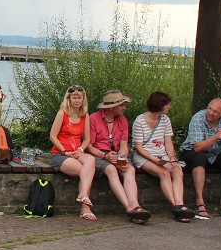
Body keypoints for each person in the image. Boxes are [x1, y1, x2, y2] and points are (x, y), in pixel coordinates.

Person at [86, 90, 151, 223]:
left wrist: (122, 155)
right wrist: (105, 156)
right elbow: (89, 146)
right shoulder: (93, 118)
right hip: (99, 156)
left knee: (129, 169)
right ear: (111, 107)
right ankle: (130, 209)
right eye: (121, 105)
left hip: (116, 155)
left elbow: (123, 144)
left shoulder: (123, 120)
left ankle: (135, 205)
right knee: (110, 169)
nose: (124, 108)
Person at [132, 92, 194, 222]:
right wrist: (154, 160)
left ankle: (179, 203)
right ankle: (176, 207)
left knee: (177, 169)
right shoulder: (140, 121)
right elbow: (138, 147)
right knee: (164, 173)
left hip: (161, 155)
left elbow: (168, 141)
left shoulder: (165, 119)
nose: (169, 106)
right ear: (159, 105)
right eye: (167, 104)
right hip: (144, 156)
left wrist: (171, 158)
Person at [180, 98, 221, 219]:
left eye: (215, 111)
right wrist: (216, 137)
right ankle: (199, 201)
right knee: (199, 157)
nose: (210, 113)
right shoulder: (198, 118)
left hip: (215, 154)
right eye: (209, 108)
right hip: (193, 152)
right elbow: (197, 147)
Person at [47, 85, 96, 220]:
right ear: (69, 99)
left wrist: (80, 150)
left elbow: (87, 139)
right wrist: (64, 151)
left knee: (90, 161)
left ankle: (83, 195)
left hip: (77, 152)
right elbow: (53, 136)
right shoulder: (62, 113)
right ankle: (85, 208)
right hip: (60, 153)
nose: (77, 101)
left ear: (83, 99)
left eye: (79, 98)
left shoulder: (85, 116)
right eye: (74, 97)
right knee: (85, 171)